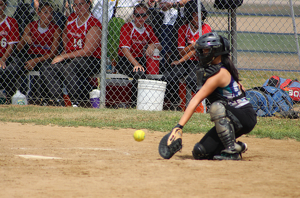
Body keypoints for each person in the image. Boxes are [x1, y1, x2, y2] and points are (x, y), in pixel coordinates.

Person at [159, 32, 257, 160]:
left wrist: (179, 126)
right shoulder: (217, 68)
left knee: (217, 107)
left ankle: (232, 150)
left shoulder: (220, 73)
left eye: (205, 51)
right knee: (199, 152)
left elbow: (196, 100)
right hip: (232, 118)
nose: (201, 54)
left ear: (216, 52)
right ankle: (239, 147)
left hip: (244, 116)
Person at [42, 0, 102, 105]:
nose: (78, 7)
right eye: (75, 5)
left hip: (91, 60)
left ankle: (76, 102)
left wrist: (64, 56)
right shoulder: (71, 18)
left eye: (81, 4)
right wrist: (66, 48)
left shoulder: (93, 23)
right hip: (71, 57)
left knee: (69, 68)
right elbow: (65, 32)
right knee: (47, 67)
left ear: (88, 4)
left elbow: (88, 51)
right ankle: (58, 101)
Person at [1, 2, 61, 101]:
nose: (49, 15)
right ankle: (10, 96)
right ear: (39, 13)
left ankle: (52, 99)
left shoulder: (56, 29)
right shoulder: (31, 26)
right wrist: (24, 38)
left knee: (47, 70)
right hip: (31, 56)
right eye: (45, 12)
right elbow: (18, 48)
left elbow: (53, 53)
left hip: (44, 58)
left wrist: (35, 61)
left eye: (51, 13)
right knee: (12, 68)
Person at [162, 0, 211, 109]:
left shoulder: (205, 28)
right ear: (189, 15)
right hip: (185, 62)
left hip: (199, 61)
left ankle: (208, 102)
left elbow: (202, 50)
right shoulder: (183, 29)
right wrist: (194, 44)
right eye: (194, 14)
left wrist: (190, 48)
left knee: (192, 80)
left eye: (200, 14)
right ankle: (175, 102)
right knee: (168, 76)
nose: (198, 16)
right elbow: (181, 51)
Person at [116, 3, 162, 108]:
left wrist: (152, 45)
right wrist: (136, 64)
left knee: (159, 72)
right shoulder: (127, 27)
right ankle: (135, 104)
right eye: (137, 15)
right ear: (133, 16)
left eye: (143, 15)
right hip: (126, 60)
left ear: (147, 16)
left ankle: (155, 103)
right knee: (139, 74)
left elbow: (160, 46)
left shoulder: (148, 28)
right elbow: (125, 50)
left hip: (141, 60)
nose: (140, 18)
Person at [0, 0, 20, 101]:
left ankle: (9, 96)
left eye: (1, 5)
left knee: (10, 69)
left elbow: (11, 46)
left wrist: (2, 59)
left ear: (5, 6)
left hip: (7, 57)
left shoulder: (11, 22)